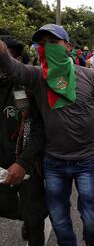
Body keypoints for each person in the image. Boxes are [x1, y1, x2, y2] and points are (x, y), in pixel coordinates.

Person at [0, 24, 94, 246]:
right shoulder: (37, 77)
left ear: (67, 46)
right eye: (42, 44)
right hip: (54, 162)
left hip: (87, 160)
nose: (46, 48)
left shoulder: (90, 77)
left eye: (53, 42)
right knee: (59, 220)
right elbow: (13, 69)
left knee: (92, 218)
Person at [0, 35, 48, 246]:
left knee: (34, 216)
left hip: (25, 165)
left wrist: (23, 162)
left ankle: (30, 226)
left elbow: (37, 128)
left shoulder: (23, 90)